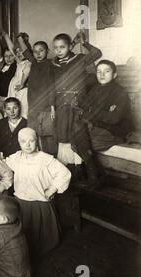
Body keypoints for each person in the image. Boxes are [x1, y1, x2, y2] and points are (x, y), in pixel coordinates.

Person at [5, 128, 71, 260]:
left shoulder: (45, 159)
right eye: (23, 141)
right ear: (19, 143)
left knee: (41, 241)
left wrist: (52, 189)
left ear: (37, 142)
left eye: (31, 141)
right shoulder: (16, 157)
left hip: (39, 204)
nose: (28, 145)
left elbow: (64, 173)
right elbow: (2, 164)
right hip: (21, 203)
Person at [51, 32, 102, 186]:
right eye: (56, 48)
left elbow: (97, 53)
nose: (59, 50)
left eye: (62, 47)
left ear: (70, 46)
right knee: (64, 141)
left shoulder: (79, 59)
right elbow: (51, 88)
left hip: (77, 107)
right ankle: (71, 176)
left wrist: (84, 42)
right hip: (61, 108)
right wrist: (53, 106)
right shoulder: (53, 65)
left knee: (79, 140)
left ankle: (92, 176)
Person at [80, 59, 133, 151]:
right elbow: (84, 109)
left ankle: (90, 165)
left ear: (114, 75)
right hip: (97, 128)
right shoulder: (95, 89)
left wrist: (91, 110)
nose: (102, 75)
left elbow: (114, 119)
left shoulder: (120, 92)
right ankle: (88, 165)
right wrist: (104, 112)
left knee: (82, 139)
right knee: (75, 133)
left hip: (114, 132)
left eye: (107, 71)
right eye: (98, 72)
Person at [18, 36, 56, 155]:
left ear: (47, 51)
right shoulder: (33, 63)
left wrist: (52, 106)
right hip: (33, 108)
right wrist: (19, 37)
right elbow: (25, 50)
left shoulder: (51, 64)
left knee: (48, 136)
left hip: (46, 108)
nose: (38, 53)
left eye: (41, 50)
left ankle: (51, 160)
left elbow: (52, 87)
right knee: (33, 135)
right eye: (35, 51)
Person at [4, 31, 32, 119]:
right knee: (11, 107)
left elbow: (26, 72)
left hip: (22, 90)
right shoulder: (19, 62)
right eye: (17, 52)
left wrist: (22, 83)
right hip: (13, 88)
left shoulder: (29, 62)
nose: (18, 53)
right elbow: (11, 49)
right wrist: (5, 36)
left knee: (22, 110)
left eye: (21, 51)